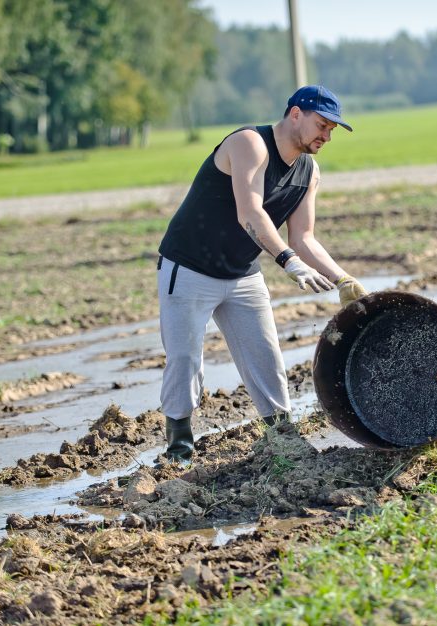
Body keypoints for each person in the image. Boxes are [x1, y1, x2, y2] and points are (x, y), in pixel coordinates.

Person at [155, 84, 368, 465]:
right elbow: (250, 212)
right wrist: (287, 261)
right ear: (296, 114)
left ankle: (283, 438)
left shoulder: (309, 171)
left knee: (266, 357)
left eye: (332, 130)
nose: (326, 135)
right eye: (322, 125)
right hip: (189, 267)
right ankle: (179, 449)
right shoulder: (249, 143)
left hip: (242, 273)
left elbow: (303, 237)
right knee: (185, 360)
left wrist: (343, 280)